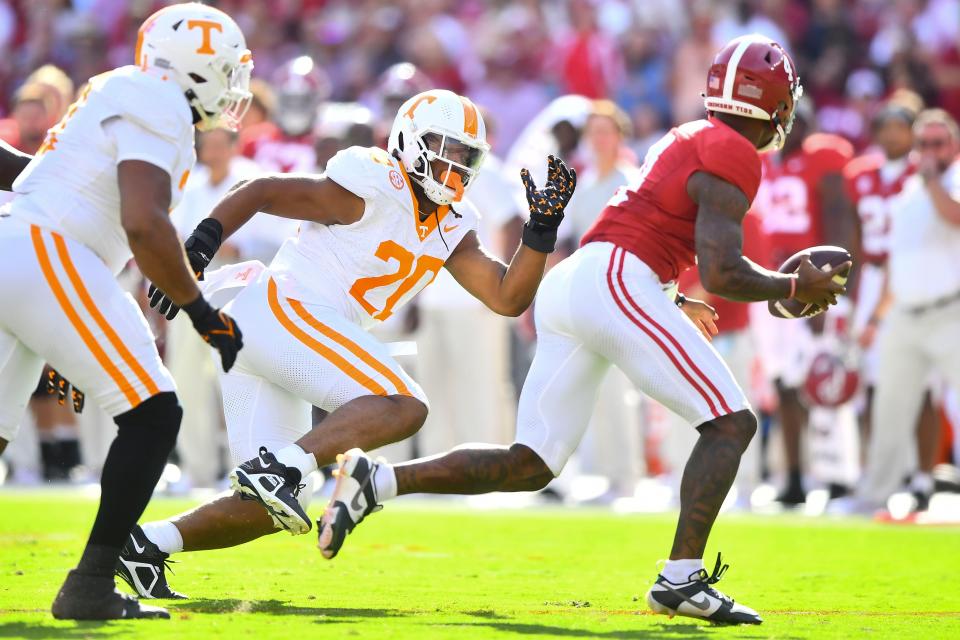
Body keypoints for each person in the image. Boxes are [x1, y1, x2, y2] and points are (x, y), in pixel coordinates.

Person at [320, 35, 847, 625]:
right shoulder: (731, 150)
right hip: (617, 280)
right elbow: (722, 271)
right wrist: (795, 287)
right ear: (776, 100)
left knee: (532, 463)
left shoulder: (691, 136)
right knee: (731, 423)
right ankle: (681, 579)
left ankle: (377, 479)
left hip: (581, 282)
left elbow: (645, 221)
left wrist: (670, 297)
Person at [119, 89, 575, 600]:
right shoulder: (374, 183)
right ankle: (285, 465)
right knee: (404, 404)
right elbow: (264, 188)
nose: (452, 166)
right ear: (410, 140)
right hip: (283, 305)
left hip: (277, 335)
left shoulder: (453, 224)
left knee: (269, 511)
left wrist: (540, 232)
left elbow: (507, 297)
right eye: (442, 148)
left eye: (464, 156)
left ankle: (143, 544)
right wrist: (200, 243)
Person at [0, 2, 249, 619]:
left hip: (23, 243)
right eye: (223, 69)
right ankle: (90, 584)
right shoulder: (160, 101)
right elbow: (143, 220)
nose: (231, 85)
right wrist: (200, 309)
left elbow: (45, 179)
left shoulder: (126, 89)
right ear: (193, 68)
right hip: (48, 250)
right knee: (153, 413)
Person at [848, 109, 960, 512]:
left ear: (953, 145)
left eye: (938, 142)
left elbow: (956, 216)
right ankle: (874, 495)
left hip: (951, 312)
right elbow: (898, 260)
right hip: (905, 316)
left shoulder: (950, 180)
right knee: (889, 409)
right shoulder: (910, 190)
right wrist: (878, 316)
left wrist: (932, 183)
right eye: (924, 144)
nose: (930, 151)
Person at [751, 102, 855, 506]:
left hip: (811, 284)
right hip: (775, 284)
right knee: (784, 383)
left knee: (826, 380)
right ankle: (794, 477)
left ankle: (838, 477)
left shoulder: (822, 156)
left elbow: (839, 218)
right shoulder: (766, 162)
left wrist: (833, 287)